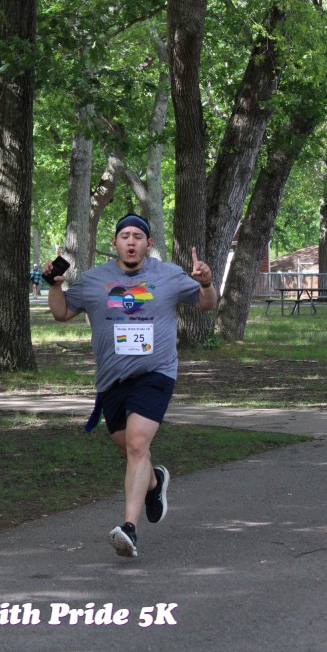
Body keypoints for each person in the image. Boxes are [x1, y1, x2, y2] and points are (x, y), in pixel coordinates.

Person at [45, 213, 217, 559]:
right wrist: (54, 285)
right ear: (115, 243)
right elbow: (61, 313)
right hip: (112, 379)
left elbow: (206, 304)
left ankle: (129, 528)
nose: (131, 242)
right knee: (129, 449)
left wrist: (206, 283)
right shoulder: (95, 280)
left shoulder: (168, 275)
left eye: (138, 236)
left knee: (138, 443)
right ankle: (153, 481)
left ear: (148, 243)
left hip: (156, 373)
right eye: (125, 236)